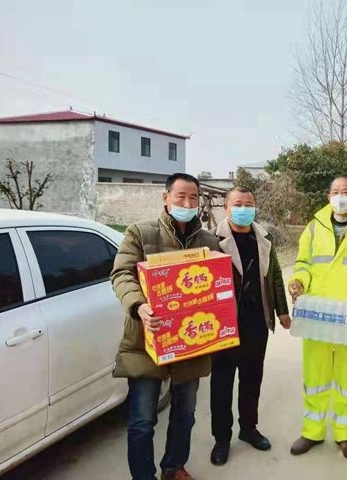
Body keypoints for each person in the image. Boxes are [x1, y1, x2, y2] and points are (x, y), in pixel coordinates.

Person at [111, 173, 219, 480]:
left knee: (185, 413)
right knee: (142, 420)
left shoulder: (209, 242)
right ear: (166, 197)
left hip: (191, 343)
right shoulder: (140, 232)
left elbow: (219, 287)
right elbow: (121, 274)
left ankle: (173, 467)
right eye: (180, 196)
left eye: (193, 197)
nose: (187, 203)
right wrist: (139, 306)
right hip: (147, 339)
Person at [288, 176, 347, 461]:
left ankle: (344, 434)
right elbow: (303, 263)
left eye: (345, 192)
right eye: (335, 192)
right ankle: (312, 431)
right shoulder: (313, 228)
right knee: (315, 377)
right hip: (317, 316)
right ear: (328, 196)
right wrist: (298, 282)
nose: (340, 196)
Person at [210, 186, 291, 466]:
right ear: (226, 208)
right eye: (237, 204)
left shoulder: (263, 238)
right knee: (222, 383)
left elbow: (275, 275)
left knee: (252, 378)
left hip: (256, 320)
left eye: (248, 204)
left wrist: (282, 310)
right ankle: (222, 438)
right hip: (224, 325)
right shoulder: (212, 241)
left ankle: (248, 428)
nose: (243, 209)